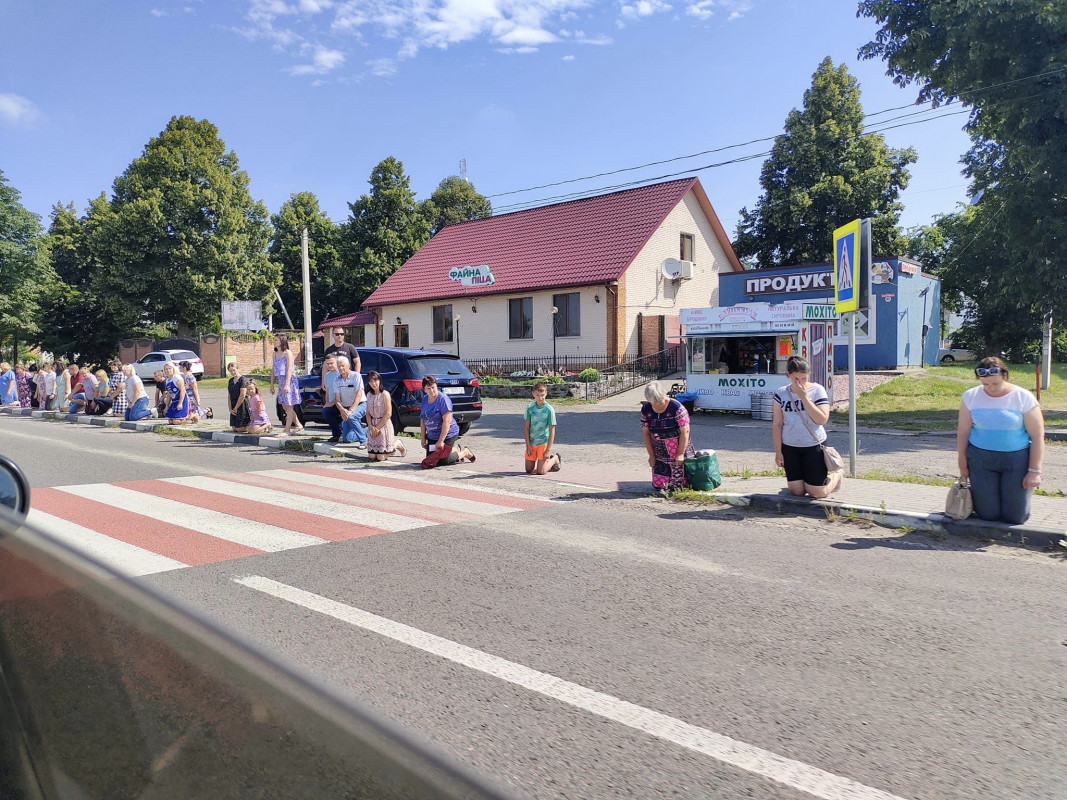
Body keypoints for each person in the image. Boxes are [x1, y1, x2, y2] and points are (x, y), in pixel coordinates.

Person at [956, 356, 1044, 524]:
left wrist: (1034, 471)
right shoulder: (970, 396)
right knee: (988, 515)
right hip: (981, 460)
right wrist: (962, 463)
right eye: (985, 384)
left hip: (1016, 460)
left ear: (1004, 376)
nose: (991, 389)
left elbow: (1037, 435)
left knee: (1016, 518)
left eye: (995, 384)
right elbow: (963, 433)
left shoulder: (1023, 397)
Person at [772, 355, 842, 499]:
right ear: (788, 375)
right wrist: (778, 452)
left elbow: (822, 419)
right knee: (797, 491)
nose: (800, 382)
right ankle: (805, 481)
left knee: (817, 493)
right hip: (790, 446)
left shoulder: (817, 390)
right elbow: (777, 425)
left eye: (804, 378)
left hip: (813, 445)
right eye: (796, 379)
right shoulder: (781, 393)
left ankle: (836, 476)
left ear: (809, 375)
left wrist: (803, 397)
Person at [640, 380, 695, 490]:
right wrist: (651, 455)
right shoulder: (646, 409)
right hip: (659, 452)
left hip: (677, 449)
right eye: (653, 403)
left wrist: (680, 454)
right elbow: (645, 433)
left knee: (678, 487)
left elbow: (685, 432)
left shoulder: (676, 408)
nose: (657, 405)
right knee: (659, 485)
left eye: (659, 401)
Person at [419, 375, 474, 467]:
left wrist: (441, 441)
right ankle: (455, 449)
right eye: (428, 388)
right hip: (433, 435)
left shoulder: (443, 399)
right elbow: (422, 419)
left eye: (433, 387)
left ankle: (464, 452)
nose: (431, 391)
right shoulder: (425, 400)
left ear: (436, 386)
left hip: (448, 434)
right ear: (424, 389)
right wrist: (423, 438)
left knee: (443, 461)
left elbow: (447, 421)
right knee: (431, 460)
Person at [323, 356, 367, 447]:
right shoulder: (337, 380)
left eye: (343, 366)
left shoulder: (356, 376)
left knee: (351, 417)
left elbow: (359, 395)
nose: (341, 368)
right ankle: (368, 430)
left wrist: (350, 410)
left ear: (348, 365)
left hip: (360, 404)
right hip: (346, 407)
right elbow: (337, 400)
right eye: (339, 366)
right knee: (347, 438)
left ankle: (364, 441)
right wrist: (342, 410)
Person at [365, 370, 406, 460]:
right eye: (371, 381)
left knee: (380, 457)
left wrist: (378, 428)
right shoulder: (369, 395)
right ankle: (389, 448)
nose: (373, 383)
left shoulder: (385, 394)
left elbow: (388, 413)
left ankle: (397, 444)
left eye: (375, 380)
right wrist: (371, 427)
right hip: (373, 425)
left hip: (383, 425)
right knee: (372, 456)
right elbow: (367, 413)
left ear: (379, 380)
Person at [524, 382, 561, 474]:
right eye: (537, 395)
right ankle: (541, 462)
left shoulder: (549, 409)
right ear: (533, 394)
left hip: (543, 442)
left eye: (542, 395)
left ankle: (555, 459)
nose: (540, 398)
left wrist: (548, 450)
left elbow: (552, 430)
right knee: (529, 470)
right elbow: (526, 428)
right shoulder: (529, 408)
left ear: (546, 394)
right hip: (532, 442)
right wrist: (528, 445)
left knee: (541, 472)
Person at [270, 333, 303, 435]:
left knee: (289, 405)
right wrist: (271, 384)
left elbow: (289, 369)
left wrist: (287, 384)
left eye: (276, 340)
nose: (274, 342)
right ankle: (298, 425)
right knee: (284, 406)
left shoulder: (287, 353)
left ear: (282, 341)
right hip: (280, 381)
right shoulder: (274, 354)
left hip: (289, 381)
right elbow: (273, 370)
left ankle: (287, 429)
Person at [227, 361, 251, 432]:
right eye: (230, 370)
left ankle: (256, 426)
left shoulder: (242, 379)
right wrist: (230, 408)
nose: (233, 372)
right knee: (234, 428)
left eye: (234, 370)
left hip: (241, 404)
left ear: (237, 369)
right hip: (233, 404)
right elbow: (229, 395)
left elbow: (242, 395)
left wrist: (236, 408)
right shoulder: (230, 380)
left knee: (240, 429)